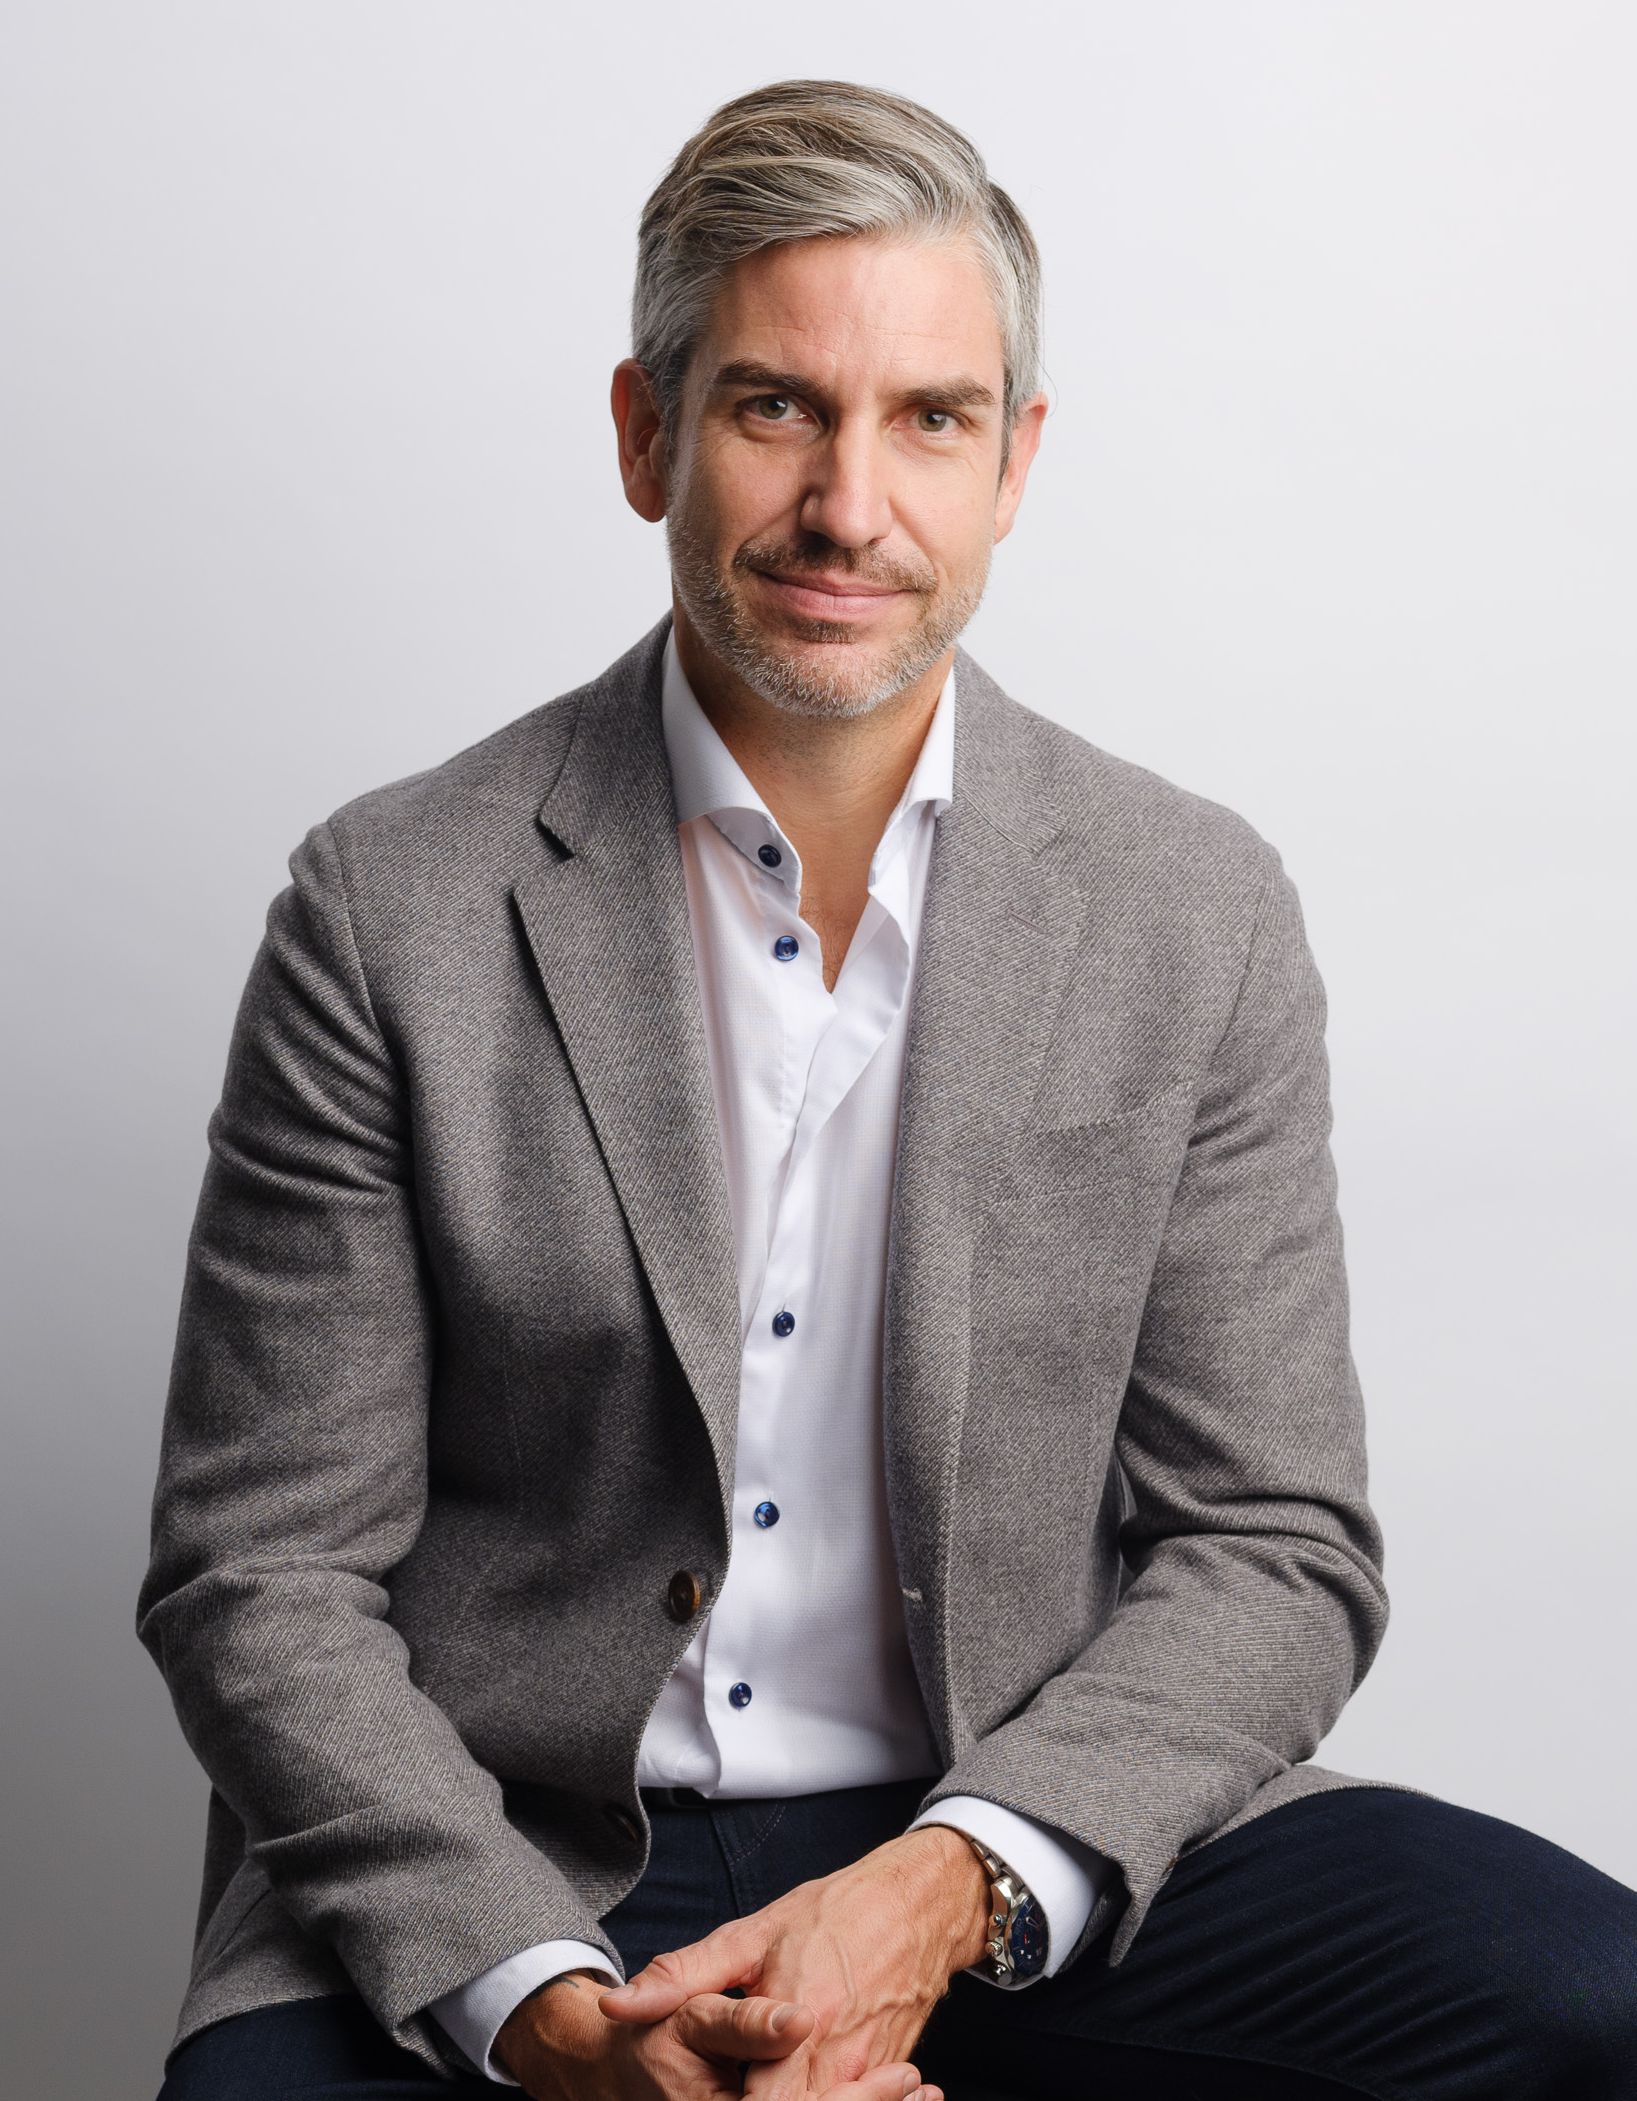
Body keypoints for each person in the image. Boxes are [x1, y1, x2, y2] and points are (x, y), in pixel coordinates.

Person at [138, 76, 1637, 2101]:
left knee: (1587, 1996)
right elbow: (261, 1574)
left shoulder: (1189, 908)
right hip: (519, 1849)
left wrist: (949, 1884)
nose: (852, 506)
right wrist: (555, 2014)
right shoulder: (391, 904)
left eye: (930, 418)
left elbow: (1271, 1540)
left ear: (1015, 463)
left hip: (1010, 1818)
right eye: (777, 407)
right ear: (644, 433)